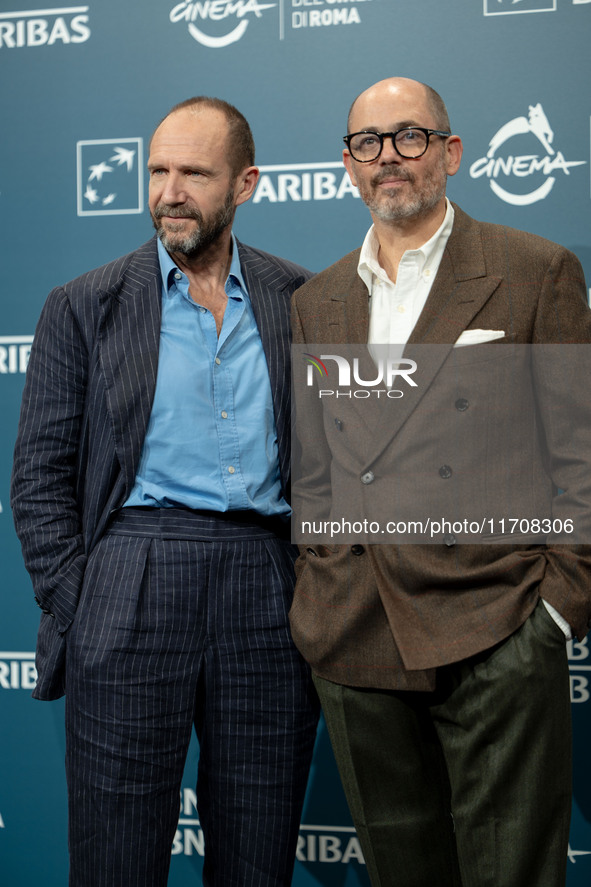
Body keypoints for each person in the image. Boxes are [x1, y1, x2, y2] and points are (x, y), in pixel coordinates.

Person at [288, 77, 591, 887]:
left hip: (494, 628)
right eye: (367, 142)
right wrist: (317, 585)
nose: (388, 156)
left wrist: (554, 612)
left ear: (450, 153)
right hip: (354, 640)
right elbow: (314, 466)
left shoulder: (533, 271)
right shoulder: (316, 300)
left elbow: (583, 455)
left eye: (409, 137)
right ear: (347, 166)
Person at [11, 96, 319, 887]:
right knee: (116, 850)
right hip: (132, 571)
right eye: (157, 170)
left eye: (193, 173)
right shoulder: (85, 304)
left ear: (245, 182)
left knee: (258, 845)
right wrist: (81, 600)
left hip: (265, 580)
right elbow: (39, 475)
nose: (169, 190)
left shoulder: (306, 301)